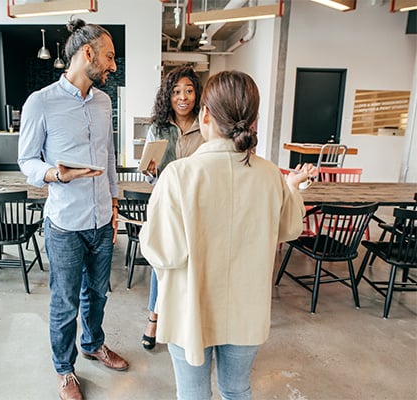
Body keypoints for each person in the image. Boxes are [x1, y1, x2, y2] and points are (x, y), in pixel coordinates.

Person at [139, 70, 316, 400]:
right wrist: (292, 188)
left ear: (205, 113)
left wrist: (146, 230)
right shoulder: (268, 174)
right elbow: (290, 228)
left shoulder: (179, 175)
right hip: (245, 311)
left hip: (190, 307)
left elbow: (165, 251)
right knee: (236, 390)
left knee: (193, 394)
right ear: (252, 119)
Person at [18, 18, 128, 400]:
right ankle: (64, 370)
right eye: (109, 57)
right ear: (87, 53)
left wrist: (114, 209)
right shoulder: (41, 102)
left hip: (100, 220)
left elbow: (110, 160)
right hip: (64, 224)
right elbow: (27, 160)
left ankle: (93, 343)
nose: (113, 66)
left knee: (98, 293)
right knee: (64, 302)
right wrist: (54, 174)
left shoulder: (103, 102)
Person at [140, 65, 204, 351]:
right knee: (161, 262)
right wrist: (151, 171)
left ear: (197, 94)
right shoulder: (159, 127)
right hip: (166, 205)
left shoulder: (207, 125)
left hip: (198, 206)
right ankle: (154, 317)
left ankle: (191, 319)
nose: (183, 97)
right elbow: (152, 173)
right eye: (177, 91)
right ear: (168, 95)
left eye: (189, 91)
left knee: (194, 264)